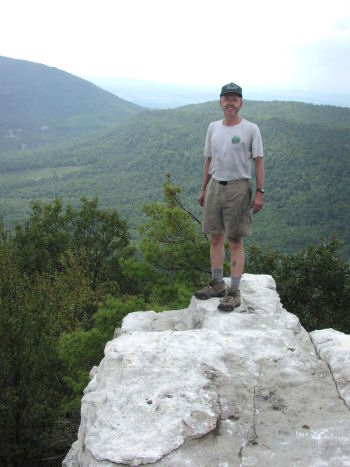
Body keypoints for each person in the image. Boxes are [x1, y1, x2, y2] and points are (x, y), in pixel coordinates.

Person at [195, 82, 265, 311]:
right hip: (215, 184)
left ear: (241, 103)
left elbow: (259, 161)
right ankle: (217, 284)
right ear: (220, 102)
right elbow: (208, 158)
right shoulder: (213, 127)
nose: (230, 103)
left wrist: (259, 192)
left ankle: (234, 291)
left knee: (235, 240)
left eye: (235, 99)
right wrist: (204, 188)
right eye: (226, 98)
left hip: (238, 187)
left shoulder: (251, 129)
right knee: (215, 237)